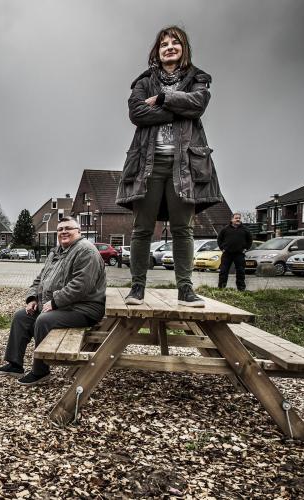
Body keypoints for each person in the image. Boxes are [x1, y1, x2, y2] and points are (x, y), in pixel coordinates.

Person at [116, 25, 223, 308]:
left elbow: (198, 104)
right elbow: (136, 112)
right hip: (148, 164)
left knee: (182, 229)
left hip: (185, 164)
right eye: (164, 44)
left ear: (183, 48)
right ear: (157, 51)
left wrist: (164, 98)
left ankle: (186, 291)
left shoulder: (198, 79)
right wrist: (179, 109)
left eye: (175, 42)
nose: (169, 47)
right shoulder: (143, 81)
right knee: (142, 228)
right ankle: (136, 289)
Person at [0, 218, 106, 386]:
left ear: (78, 232)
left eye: (68, 228)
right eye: (60, 229)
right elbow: (40, 280)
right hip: (62, 306)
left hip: (84, 308)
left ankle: (40, 371)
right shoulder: (56, 252)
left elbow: (81, 285)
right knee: (21, 316)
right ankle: (14, 365)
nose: (64, 232)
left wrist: (54, 302)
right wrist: (33, 299)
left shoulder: (86, 251)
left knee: (43, 320)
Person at [217, 213, 253, 291]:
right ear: (232, 219)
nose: (238, 219)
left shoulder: (245, 229)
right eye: (236, 218)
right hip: (227, 254)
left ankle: (241, 289)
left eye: (239, 218)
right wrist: (222, 248)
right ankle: (221, 288)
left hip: (239, 254)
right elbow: (219, 239)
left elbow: (250, 240)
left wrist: (246, 248)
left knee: (241, 271)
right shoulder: (225, 229)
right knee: (223, 271)